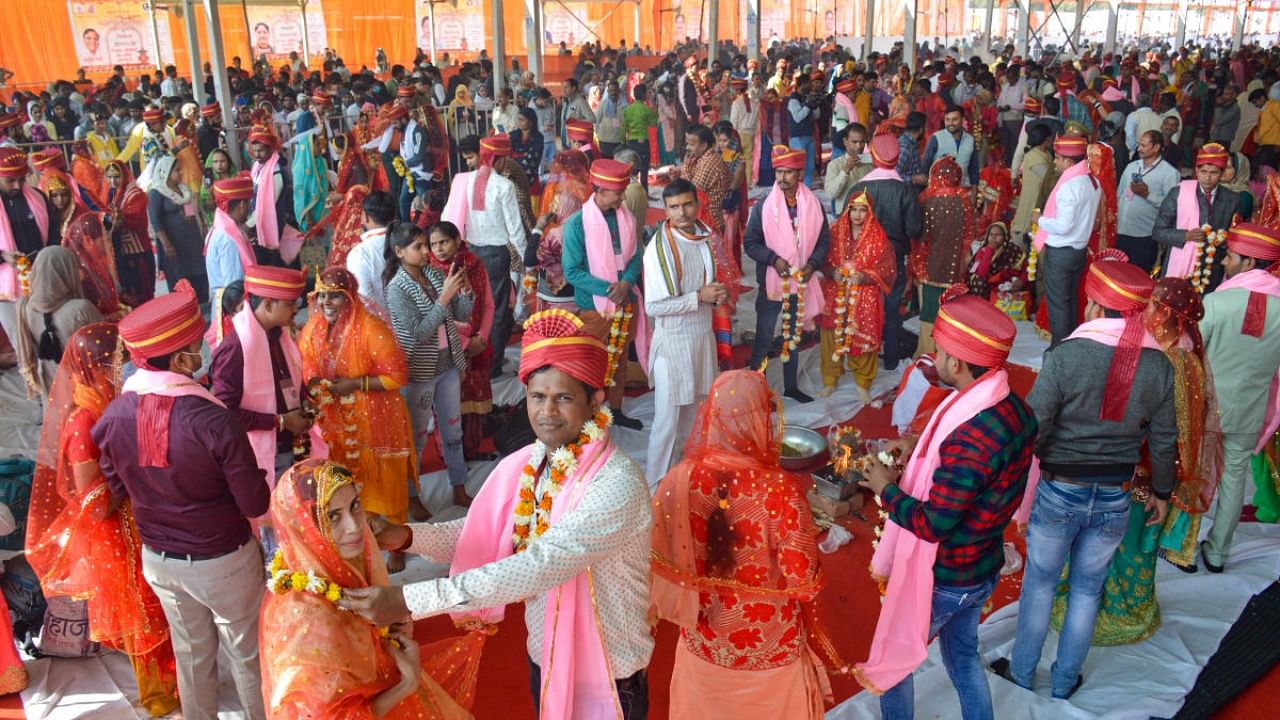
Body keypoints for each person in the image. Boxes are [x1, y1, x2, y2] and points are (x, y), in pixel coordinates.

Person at [338, 310, 654, 720]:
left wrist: (408, 600)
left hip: (613, 672)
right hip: (546, 654)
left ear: (595, 400)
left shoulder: (616, 484)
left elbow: (541, 564)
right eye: (538, 397)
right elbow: (484, 535)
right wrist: (406, 537)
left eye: (564, 398)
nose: (547, 413)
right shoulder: (533, 461)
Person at [998, 252, 1176, 700]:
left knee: (1040, 584)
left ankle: (1022, 672)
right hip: (1114, 497)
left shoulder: (1067, 355)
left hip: (1061, 490)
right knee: (1086, 591)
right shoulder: (1159, 365)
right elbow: (1163, 439)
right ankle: (1063, 681)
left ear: (1095, 305)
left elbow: (1034, 425)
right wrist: (1162, 492)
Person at [855, 286, 1034, 720]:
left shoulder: (970, 437)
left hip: (948, 576)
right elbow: (972, 473)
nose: (933, 352)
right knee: (964, 657)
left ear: (957, 362)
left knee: (894, 663)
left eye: (939, 346)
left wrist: (884, 488)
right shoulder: (1010, 407)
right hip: (983, 564)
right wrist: (919, 446)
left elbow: (933, 523)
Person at [94, 283, 270, 720]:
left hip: (160, 560)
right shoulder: (213, 419)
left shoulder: (114, 414)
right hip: (222, 558)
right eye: (197, 347)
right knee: (248, 654)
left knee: (191, 654)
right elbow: (253, 502)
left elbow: (117, 484)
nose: (203, 353)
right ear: (179, 361)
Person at [1045, 277, 1217, 646]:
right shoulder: (1159, 349)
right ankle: (1096, 604)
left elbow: (1179, 432)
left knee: (1129, 547)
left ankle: (1123, 612)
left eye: (1152, 305)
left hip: (1145, 472)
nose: (1144, 312)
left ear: (1169, 315)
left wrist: (1161, 483)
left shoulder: (1178, 358)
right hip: (1130, 466)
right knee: (1105, 544)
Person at [650, 368, 828, 719]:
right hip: (769, 646)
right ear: (762, 419)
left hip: (704, 642)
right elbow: (804, 584)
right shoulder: (781, 491)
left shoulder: (678, 480)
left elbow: (661, 562)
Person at [26, 322, 179, 716]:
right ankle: (160, 698)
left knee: (158, 607)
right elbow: (94, 503)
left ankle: (172, 684)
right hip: (115, 535)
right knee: (143, 613)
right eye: (114, 360)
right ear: (94, 365)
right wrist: (135, 475)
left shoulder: (107, 400)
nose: (121, 367)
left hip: (134, 523)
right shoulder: (82, 421)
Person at [259, 459, 472, 718]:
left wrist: (392, 631)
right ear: (304, 528)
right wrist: (407, 684)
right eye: (332, 516)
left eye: (355, 506)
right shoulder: (306, 620)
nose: (353, 527)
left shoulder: (337, 565)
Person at [299, 266, 416, 566]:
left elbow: (398, 376)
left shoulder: (370, 328)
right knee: (347, 481)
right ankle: (358, 540)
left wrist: (355, 384)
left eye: (335, 297)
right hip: (337, 420)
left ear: (350, 298)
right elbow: (308, 365)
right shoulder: (312, 330)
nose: (326, 303)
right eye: (321, 295)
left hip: (379, 417)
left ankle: (397, 546)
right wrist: (316, 385)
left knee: (384, 481)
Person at [210, 265, 310, 557]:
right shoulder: (237, 346)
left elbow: (290, 379)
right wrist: (280, 421)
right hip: (263, 451)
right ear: (268, 304)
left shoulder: (277, 334)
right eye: (291, 303)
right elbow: (225, 414)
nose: (296, 309)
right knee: (275, 529)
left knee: (295, 517)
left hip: (289, 441)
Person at [1198, 223, 1280, 572]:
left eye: (1230, 257)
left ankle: (1182, 549)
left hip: (1207, 407)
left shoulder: (1217, 301)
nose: (1224, 263)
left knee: (1193, 476)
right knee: (1234, 479)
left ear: (1248, 263)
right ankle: (1216, 553)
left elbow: (1190, 355)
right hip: (1250, 407)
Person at [642, 179, 729, 485]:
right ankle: (655, 487)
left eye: (687, 204)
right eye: (674, 207)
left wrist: (717, 293)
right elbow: (653, 306)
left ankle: (680, 480)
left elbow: (714, 280)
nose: (682, 212)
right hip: (673, 344)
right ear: (664, 210)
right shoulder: (657, 249)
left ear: (697, 203)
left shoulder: (704, 236)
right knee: (667, 422)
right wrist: (698, 298)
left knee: (694, 418)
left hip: (701, 338)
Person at [384, 221, 474, 509]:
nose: (427, 251)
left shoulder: (433, 274)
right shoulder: (396, 288)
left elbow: (460, 314)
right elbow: (420, 332)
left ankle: (458, 486)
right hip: (419, 371)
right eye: (419, 247)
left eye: (427, 245)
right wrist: (445, 297)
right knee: (418, 438)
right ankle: (412, 495)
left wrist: (465, 294)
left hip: (447, 366)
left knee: (453, 430)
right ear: (399, 251)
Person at [561, 158, 649, 429]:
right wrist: (609, 289)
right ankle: (587, 417)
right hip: (594, 305)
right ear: (599, 191)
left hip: (624, 299)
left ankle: (617, 409)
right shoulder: (577, 225)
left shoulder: (625, 218)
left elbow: (636, 256)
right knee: (592, 362)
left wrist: (626, 283)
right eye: (617, 194)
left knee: (620, 359)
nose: (622, 199)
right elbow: (572, 272)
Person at [745, 145, 830, 403]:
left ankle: (791, 386)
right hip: (772, 282)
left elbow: (824, 240)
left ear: (799, 174)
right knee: (765, 334)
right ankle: (756, 386)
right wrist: (774, 260)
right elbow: (750, 243)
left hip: (800, 283)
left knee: (792, 334)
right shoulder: (763, 206)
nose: (781, 177)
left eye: (788, 173)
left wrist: (813, 265)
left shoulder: (813, 204)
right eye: (779, 172)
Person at [442, 135, 526, 377]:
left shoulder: (464, 182)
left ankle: (475, 359)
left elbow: (450, 214)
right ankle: (493, 365)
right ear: (499, 159)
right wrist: (527, 260)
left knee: (476, 307)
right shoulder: (503, 186)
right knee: (498, 311)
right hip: (496, 255)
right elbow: (515, 230)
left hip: (470, 252)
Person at [426, 222, 496, 462]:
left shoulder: (474, 264)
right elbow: (435, 317)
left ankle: (471, 449)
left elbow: (487, 304)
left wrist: (482, 338)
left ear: (457, 240)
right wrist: (466, 343)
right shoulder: (427, 271)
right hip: (448, 349)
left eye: (443, 242)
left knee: (474, 400)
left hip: (477, 344)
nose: (438, 249)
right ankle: (450, 457)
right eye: (433, 244)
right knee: (448, 405)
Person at [819, 189, 896, 404]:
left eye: (863, 210)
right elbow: (821, 260)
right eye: (854, 209)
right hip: (836, 291)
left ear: (870, 212)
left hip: (864, 295)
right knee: (831, 336)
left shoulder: (878, 237)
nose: (858, 215)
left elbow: (887, 269)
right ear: (848, 210)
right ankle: (830, 379)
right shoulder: (834, 232)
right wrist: (832, 272)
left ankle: (863, 383)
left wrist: (864, 277)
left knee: (862, 336)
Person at [853, 133, 921, 370]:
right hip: (894, 258)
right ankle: (890, 359)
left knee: (865, 308)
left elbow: (846, 225)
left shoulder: (859, 188)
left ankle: (863, 358)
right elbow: (914, 229)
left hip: (864, 260)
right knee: (892, 309)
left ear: (873, 157)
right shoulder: (905, 190)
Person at [1031, 135, 1101, 346]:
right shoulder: (1092, 181)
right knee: (1069, 301)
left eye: (1058, 158)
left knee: (1058, 305)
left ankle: (1059, 352)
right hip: (1078, 251)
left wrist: (1040, 220)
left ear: (1069, 161)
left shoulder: (1070, 186)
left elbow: (1063, 226)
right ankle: (1068, 347)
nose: (1054, 162)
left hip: (1062, 252)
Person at [15, 246, 102, 399]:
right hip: (87, 394)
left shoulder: (24, 308)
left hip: (51, 390)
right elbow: (106, 351)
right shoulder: (81, 309)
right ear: (66, 272)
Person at [1152, 143, 1242, 292]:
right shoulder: (1179, 193)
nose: (1207, 178)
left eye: (1213, 173)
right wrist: (1185, 235)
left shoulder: (1233, 200)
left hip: (1211, 269)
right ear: (1196, 171)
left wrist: (1220, 239)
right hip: (1177, 266)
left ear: (1222, 173)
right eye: (1203, 171)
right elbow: (1158, 231)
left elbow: (1235, 237)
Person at [916, 157, 975, 356]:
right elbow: (969, 234)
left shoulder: (926, 198)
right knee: (950, 311)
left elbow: (919, 233)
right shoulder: (963, 199)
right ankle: (948, 354)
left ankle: (926, 354)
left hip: (929, 265)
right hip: (954, 268)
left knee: (929, 311)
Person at [0, 147, 57, 345]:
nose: (17, 185)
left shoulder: (38, 198)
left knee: (48, 339)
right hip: (7, 291)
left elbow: (54, 237)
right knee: (22, 344)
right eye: (10, 181)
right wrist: (3, 256)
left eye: (21, 179)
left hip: (42, 280)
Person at [146, 156, 209, 303]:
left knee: (200, 279)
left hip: (192, 243)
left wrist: (189, 216)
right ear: (165, 172)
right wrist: (167, 245)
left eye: (180, 169)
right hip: (175, 245)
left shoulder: (183, 188)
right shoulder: (157, 192)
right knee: (181, 282)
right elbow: (156, 221)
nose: (180, 173)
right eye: (176, 170)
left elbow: (188, 208)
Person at [1115, 130, 1180, 273]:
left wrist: (1147, 194)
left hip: (1145, 236)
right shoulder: (1132, 166)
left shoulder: (1169, 173)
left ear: (1156, 147)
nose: (1139, 149)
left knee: (1137, 275)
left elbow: (1172, 207)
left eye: (1144, 146)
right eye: (1139, 145)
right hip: (1121, 231)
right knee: (1118, 272)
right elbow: (1119, 193)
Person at [205, 176, 258, 327]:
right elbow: (234, 286)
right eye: (248, 203)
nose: (249, 208)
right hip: (232, 312)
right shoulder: (229, 239)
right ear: (241, 205)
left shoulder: (220, 228)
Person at [102, 160, 156, 307]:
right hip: (121, 255)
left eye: (117, 177)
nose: (113, 181)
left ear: (124, 175)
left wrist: (118, 218)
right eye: (110, 177)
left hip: (138, 254)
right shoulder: (111, 195)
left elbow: (137, 219)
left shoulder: (135, 194)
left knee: (144, 295)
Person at [247, 124, 303, 265]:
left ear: (270, 148)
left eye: (261, 151)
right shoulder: (259, 166)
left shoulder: (276, 172)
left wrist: (248, 224)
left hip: (272, 224)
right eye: (255, 151)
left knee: (272, 261)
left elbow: (266, 205)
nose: (257, 154)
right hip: (257, 221)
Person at [667, 123, 732, 235]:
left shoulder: (709, 163)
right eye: (687, 143)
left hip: (708, 223)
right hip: (703, 218)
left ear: (704, 145)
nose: (687, 147)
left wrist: (686, 166)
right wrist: (679, 175)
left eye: (691, 144)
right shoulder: (702, 157)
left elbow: (688, 193)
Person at [345, 189, 396, 314]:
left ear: (365, 216)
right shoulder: (410, 241)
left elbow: (365, 298)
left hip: (382, 326)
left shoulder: (360, 253)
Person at [1009, 122, 1055, 243]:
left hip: (1040, 197)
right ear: (1047, 139)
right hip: (1032, 197)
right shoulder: (1034, 157)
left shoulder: (1046, 154)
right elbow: (1048, 179)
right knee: (1026, 227)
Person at [923, 107, 979, 186]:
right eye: (947, 120)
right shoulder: (936, 138)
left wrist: (973, 194)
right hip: (939, 191)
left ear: (962, 120)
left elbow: (974, 169)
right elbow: (925, 166)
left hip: (963, 189)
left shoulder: (970, 140)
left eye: (954, 119)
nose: (950, 123)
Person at [824, 124, 872, 213]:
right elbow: (830, 194)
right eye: (854, 142)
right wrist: (845, 171)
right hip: (844, 215)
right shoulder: (835, 165)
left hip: (867, 215)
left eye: (862, 142)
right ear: (845, 141)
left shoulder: (870, 163)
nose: (859, 146)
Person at [622, 84, 657, 190]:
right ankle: (644, 194)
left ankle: (629, 192)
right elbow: (653, 123)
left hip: (631, 143)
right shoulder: (646, 109)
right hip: (643, 143)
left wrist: (623, 142)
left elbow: (623, 128)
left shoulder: (627, 109)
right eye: (646, 93)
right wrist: (652, 105)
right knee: (644, 170)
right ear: (643, 95)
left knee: (632, 169)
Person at [786, 74, 818, 186]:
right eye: (809, 83)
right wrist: (808, 105)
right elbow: (798, 118)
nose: (811, 86)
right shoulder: (793, 100)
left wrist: (815, 104)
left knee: (809, 167)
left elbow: (817, 116)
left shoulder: (806, 98)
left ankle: (806, 191)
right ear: (802, 84)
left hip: (809, 136)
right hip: (798, 138)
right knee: (797, 168)